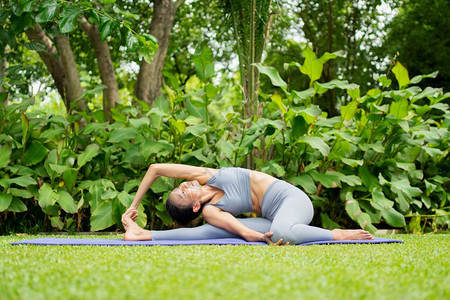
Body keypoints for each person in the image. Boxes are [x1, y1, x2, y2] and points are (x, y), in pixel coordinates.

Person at [121, 164, 373, 245]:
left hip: (293, 201)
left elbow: (155, 169)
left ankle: (336, 234)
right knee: (217, 230)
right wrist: (259, 236)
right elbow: (243, 232)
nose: (185, 186)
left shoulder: (207, 175)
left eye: (181, 186)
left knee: (283, 231)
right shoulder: (210, 211)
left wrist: (133, 205)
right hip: (273, 218)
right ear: (195, 207)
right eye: (184, 194)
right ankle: (144, 233)